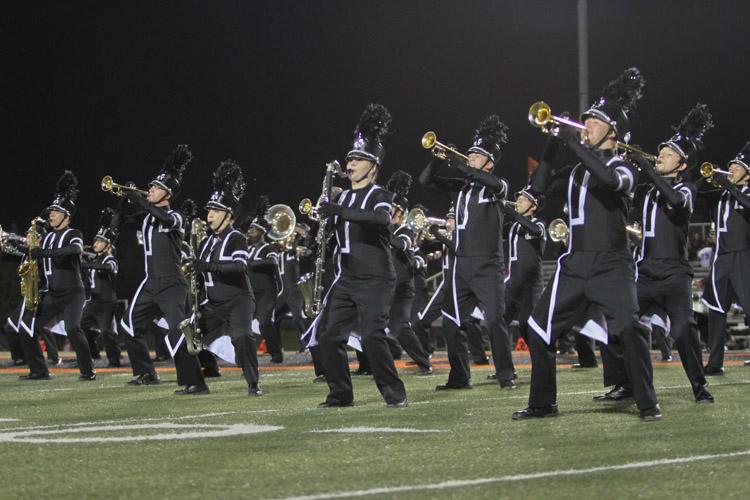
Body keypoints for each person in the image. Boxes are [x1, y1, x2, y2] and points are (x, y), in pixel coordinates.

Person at [514, 68, 660, 421]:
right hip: (574, 264)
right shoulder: (578, 167)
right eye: (585, 120)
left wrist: (572, 143)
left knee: (629, 327)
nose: (585, 125)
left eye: (593, 121)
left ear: (612, 131)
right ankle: (543, 403)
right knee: (536, 329)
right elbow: (541, 182)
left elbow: (609, 179)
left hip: (612, 263)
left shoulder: (625, 166)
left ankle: (646, 401)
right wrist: (553, 140)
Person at [313, 103, 407, 407]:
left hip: (376, 279)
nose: (350, 163)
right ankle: (340, 394)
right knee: (328, 337)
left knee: (371, 337)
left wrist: (339, 211)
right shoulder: (341, 196)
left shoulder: (380, 196)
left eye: (358, 159)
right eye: (350, 157)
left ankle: (395, 395)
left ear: (374, 167)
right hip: (347, 277)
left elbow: (382, 220)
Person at [419, 115, 516, 390]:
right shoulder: (462, 190)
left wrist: (459, 164)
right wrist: (440, 157)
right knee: (451, 322)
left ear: (489, 163)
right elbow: (426, 179)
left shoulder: (498, 187)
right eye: (470, 153)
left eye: (476, 155)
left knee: (495, 322)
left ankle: (506, 374)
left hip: (488, 266)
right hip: (461, 267)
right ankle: (460, 376)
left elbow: (476, 175)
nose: (470, 157)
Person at [626, 103, 714, 402]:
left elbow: (675, 200)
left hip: (674, 273)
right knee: (621, 322)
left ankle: (699, 386)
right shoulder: (649, 188)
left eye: (668, 154)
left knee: (684, 330)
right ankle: (625, 384)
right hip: (645, 271)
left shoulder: (687, 187)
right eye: (659, 152)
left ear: (680, 164)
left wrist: (648, 167)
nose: (660, 155)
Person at [120, 145, 206, 393]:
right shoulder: (147, 217)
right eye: (150, 187)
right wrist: (125, 200)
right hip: (149, 283)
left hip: (171, 284)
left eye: (155, 188)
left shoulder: (176, 217)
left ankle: (196, 383)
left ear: (167, 195)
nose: (150, 190)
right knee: (127, 326)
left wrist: (139, 200)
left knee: (180, 333)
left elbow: (166, 219)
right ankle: (146, 373)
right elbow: (123, 223)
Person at [191, 160, 261, 396]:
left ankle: (253, 383)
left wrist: (207, 266)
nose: (209, 215)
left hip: (238, 300)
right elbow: (201, 271)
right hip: (213, 303)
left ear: (228, 216)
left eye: (215, 211)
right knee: (186, 333)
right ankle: (197, 382)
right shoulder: (206, 241)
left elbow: (240, 267)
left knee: (242, 337)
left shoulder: (236, 238)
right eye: (208, 210)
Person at [19, 171, 95, 381]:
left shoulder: (74, 234)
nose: (51, 214)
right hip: (52, 293)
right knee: (28, 328)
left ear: (67, 216)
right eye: (50, 211)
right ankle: (39, 371)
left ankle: (88, 371)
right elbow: (35, 252)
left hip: (73, 293)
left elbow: (75, 251)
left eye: (56, 211)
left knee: (72, 328)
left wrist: (44, 252)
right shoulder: (48, 235)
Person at [701, 141, 750, 374]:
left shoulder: (745, 192)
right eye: (730, 166)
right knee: (716, 308)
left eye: (737, 167)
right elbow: (699, 192)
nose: (731, 170)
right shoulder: (722, 195)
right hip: (722, 257)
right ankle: (715, 362)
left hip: (744, 256)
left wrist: (730, 188)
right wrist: (712, 179)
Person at [384, 170, 433, 374]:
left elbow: (401, 245)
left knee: (401, 326)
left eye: (392, 210)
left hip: (403, 286)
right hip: (385, 284)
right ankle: (372, 364)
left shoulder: (405, 230)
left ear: (400, 212)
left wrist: (382, 228)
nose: (388, 213)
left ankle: (424, 361)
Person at [81, 207, 122, 367]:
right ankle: (93, 354)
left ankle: (115, 359)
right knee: (79, 327)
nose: (95, 244)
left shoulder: (109, 258)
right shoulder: (96, 259)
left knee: (107, 332)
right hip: (93, 301)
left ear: (107, 244)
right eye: (95, 241)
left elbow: (110, 268)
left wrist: (86, 264)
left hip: (106, 303)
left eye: (99, 241)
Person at [245, 196, 284, 364]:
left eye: (253, 229)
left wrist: (250, 264)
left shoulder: (269, 247)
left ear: (261, 231)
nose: (249, 231)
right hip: (250, 292)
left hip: (267, 291)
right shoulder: (246, 249)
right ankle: (244, 356)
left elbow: (272, 262)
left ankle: (276, 353)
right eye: (249, 229)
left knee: (264, 323)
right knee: (244, 325)